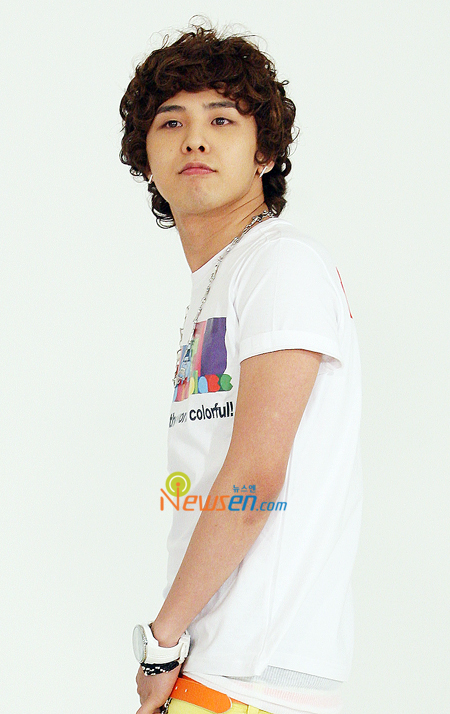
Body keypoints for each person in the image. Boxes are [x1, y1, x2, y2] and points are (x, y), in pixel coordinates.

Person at [119, 23, 362, 714]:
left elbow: (255, 478)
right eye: (172, 121)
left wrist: (161, 640)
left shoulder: (279, 264)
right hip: (223, 664)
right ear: (146, 159)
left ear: (266, 153)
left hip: (250, 670)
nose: (195, 139)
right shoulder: (226, 278)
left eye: (221, 119)